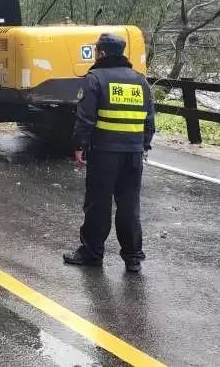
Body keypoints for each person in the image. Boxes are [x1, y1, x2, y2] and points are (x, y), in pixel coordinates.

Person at [64, 32, 155, 273]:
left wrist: (78, 146)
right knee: (129, 206)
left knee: (98, 204)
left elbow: (85, 119)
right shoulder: (140, 81)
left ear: (102, 53)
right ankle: (133, 258)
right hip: (133, 154)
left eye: (96, 51)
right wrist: (143, 146)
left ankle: (92, 254)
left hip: (104, 153)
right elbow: (150, 121)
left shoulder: (95, 79)